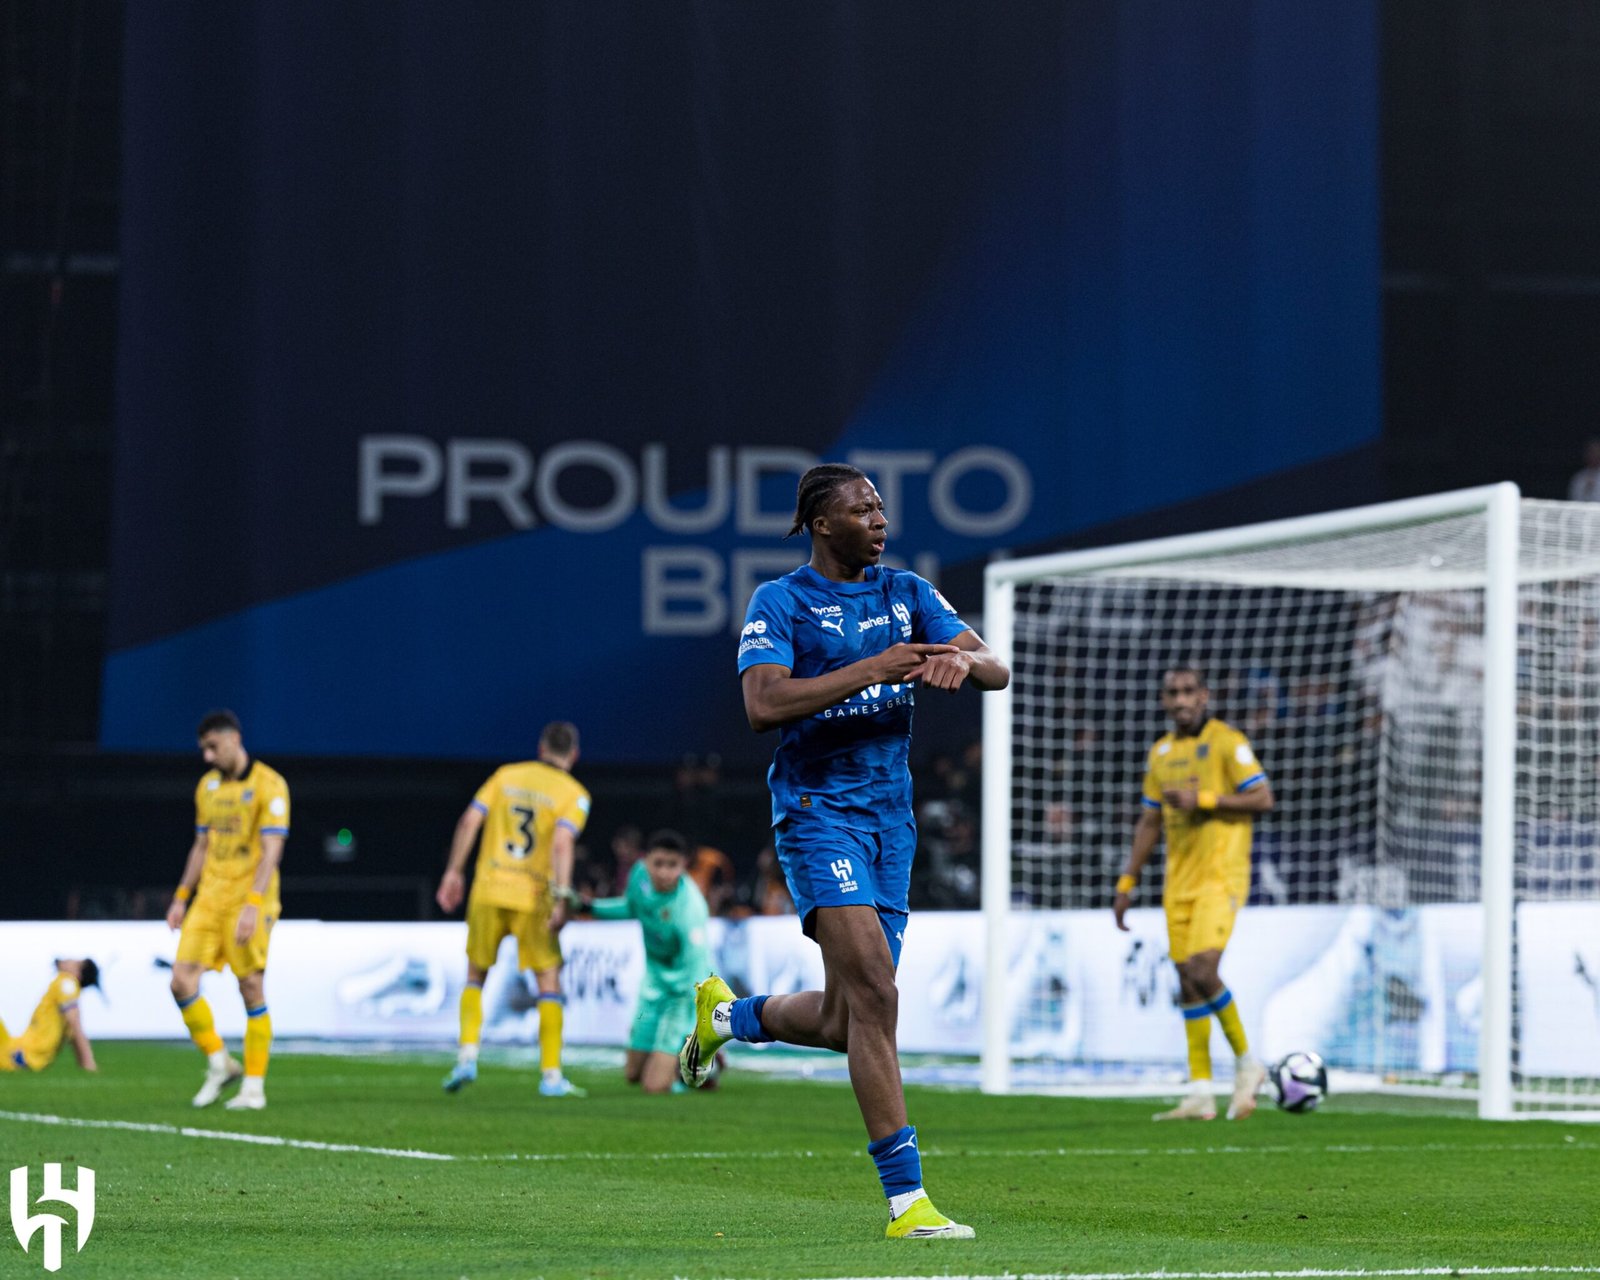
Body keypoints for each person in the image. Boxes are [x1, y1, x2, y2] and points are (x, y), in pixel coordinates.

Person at [678, 461, 1009, 1240]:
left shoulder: (907, 595)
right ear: (822, 525)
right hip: (818, 811)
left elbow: (996, 665)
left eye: (882, 508)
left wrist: (963, 659)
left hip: (889, 825)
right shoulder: (782, 601)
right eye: (862, 510)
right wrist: (874, 668)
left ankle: (729, 1015)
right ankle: (908, 1203)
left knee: (841, 1020)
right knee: (879, 1000)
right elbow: (763, 704)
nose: (879, 520)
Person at [1114, 666, 1275, 1121]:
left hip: (1220, 877)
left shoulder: (1228, 742)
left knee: (1204, 970)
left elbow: (1262, 797)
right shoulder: (1161, 752)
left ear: (1204, 695)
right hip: (1177, 882)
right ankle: (1201, 1090)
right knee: (1186, 980)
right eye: (1173, 693)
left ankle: (1248, 1062)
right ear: (1164, 700)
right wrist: (1127, 882)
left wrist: (1206, 800)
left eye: (1189, 691)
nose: (1181, 700)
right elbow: (1149, 820)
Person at [436, 720, 590, 1098]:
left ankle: (467, 1058)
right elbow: (561, 843)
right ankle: (551, 1077)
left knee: (476, 974)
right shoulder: (574, 793)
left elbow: (470, 819)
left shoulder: (505, 775)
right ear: (573, 754)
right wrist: (561, 896)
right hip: (534, 895)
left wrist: (453, 872)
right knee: (548, 981)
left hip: (489, 887)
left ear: (540, 748)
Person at [166, 710, 289, 1110]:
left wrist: (253, 903)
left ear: (234, 739)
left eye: (212, 747)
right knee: (181, 982)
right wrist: (182, 896)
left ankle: (254, 1087)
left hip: (249, 897)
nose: (207, 756)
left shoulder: (269, 784)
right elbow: (201, 845)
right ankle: (220, 1062)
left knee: (250, 985)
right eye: (204, 749)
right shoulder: (208, 786)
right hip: (210, 897)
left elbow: (272, 850)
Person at [582, 829, 713, 1094]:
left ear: (683, 865)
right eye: (658, 864)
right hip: (653, 987)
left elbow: (696, 970)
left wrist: (692, 1019)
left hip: (682, 994)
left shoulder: (690, 908)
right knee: (633, 1074)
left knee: (654, 1086)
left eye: (672, 865)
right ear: (646, 861)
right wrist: (589, 907)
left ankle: (703, 1064)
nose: (664, 872)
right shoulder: (639, 875)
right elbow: (631, 907)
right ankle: (680, 1062)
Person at [1, 959, 100, 1073]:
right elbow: (74, 1033)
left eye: (76, 963)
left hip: (19, 1054)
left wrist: (89, 1064)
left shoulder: (67, 983)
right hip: (19, 1050)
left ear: (78, 974)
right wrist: (85, 1064)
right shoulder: (62, 987)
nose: (70, 959)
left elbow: (75, 1023)